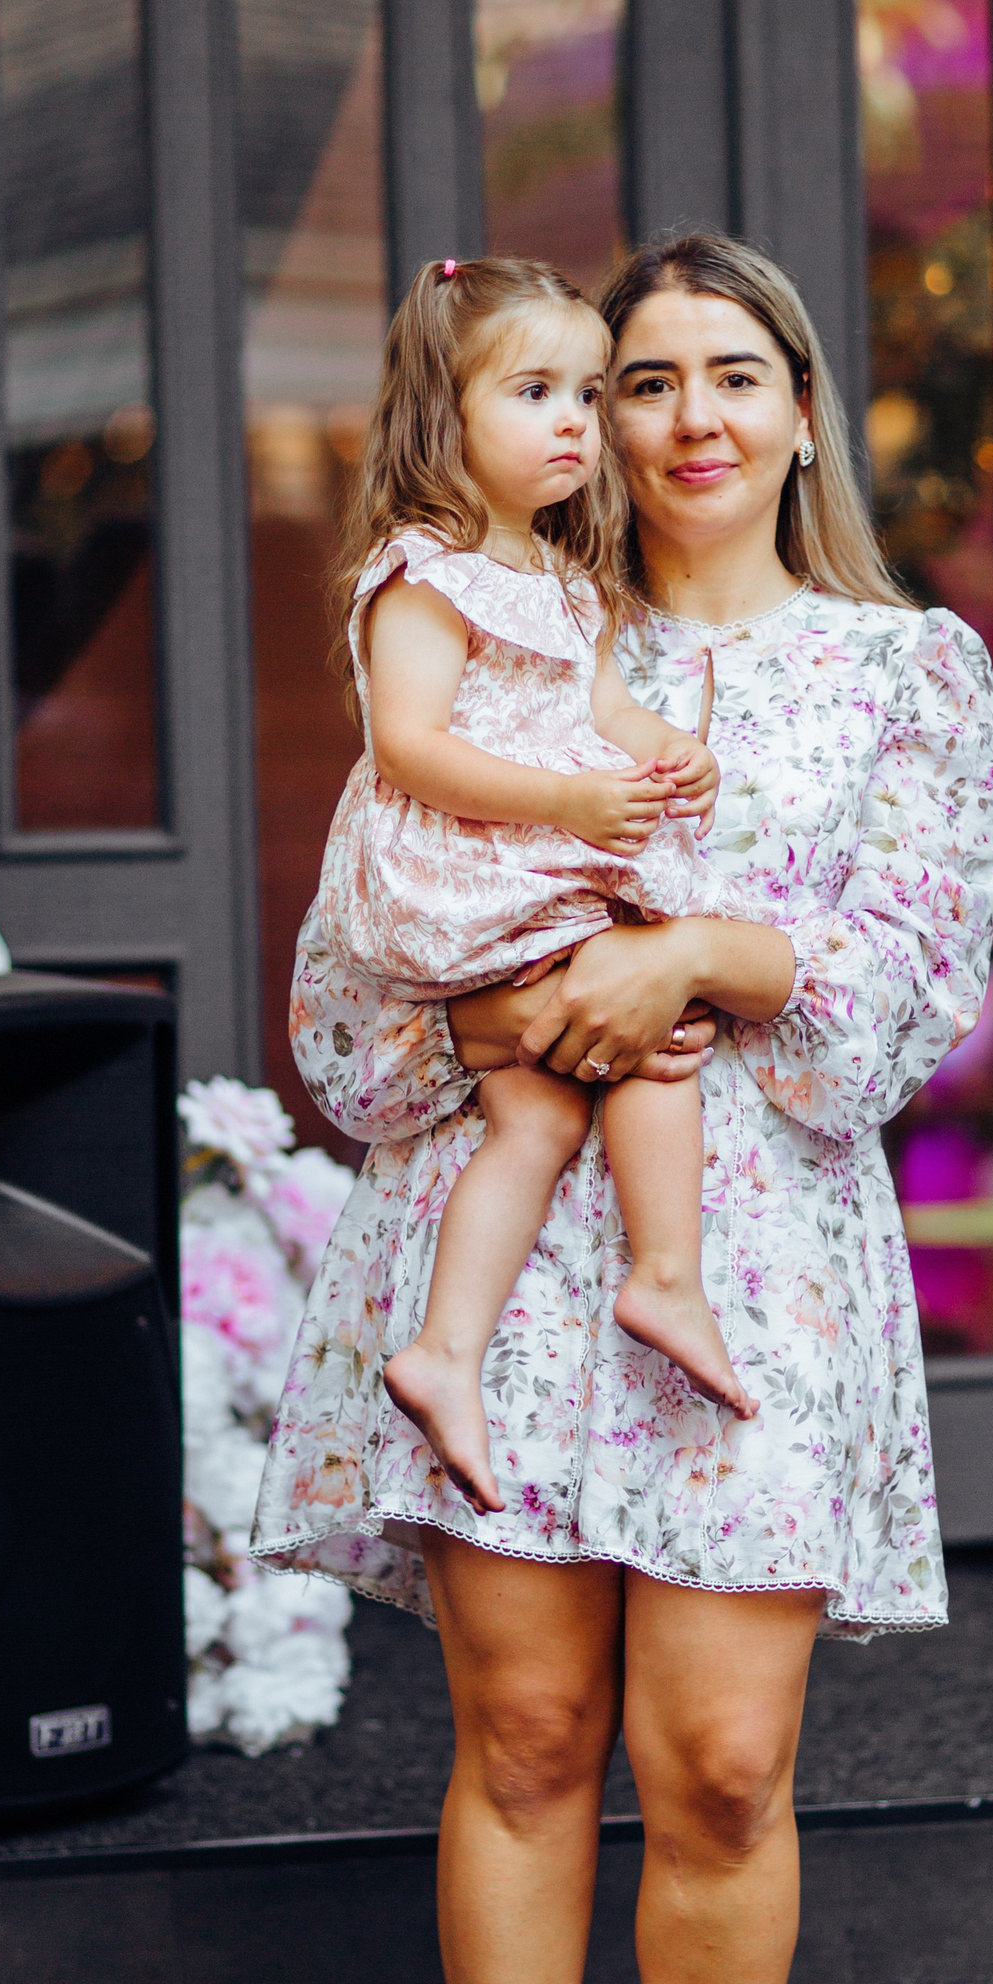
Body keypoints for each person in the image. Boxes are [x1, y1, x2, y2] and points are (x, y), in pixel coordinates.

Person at [253, 233, 993, 1984]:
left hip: (749, 1262)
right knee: (524, 1739)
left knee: (727, 1763)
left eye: (729, 374)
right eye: (636, 379)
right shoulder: (499, 626)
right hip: (509, 1269)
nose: (681, 419)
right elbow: (345, 1012)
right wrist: (508, 1014)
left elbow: (906, 1005)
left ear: (801, 410)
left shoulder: (906, 672)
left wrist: (693, 958)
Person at [317, 254, 759, 1516]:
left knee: (552, 1110)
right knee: (644, 1042)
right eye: (534, 393)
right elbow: (409, 745)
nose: (573, 422)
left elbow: (599, 705)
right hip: (469, 868)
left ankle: (451, 1351)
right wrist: (569, 801)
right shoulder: (425, 572)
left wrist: (662, 750)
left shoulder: (563, 579)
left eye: (587, 394)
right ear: (442, 415)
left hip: (534, 859)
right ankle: (657, 1281)